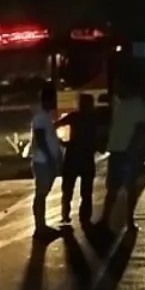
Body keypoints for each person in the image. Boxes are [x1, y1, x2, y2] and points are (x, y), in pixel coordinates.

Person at [97, 70, 145, 232]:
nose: (117, 88)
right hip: (116, 151)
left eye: (120, 85)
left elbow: (141, 130)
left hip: (129, 153)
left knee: (129, 188)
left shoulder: (140, 105)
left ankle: (129, 221)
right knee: (112, 188)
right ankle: (105, 220)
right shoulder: (118, 103)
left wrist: (134, 149)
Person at [55, 92, 98, 225]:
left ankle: (65, 215)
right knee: (86, 192)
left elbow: (55, 125)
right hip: (86, 157)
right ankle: (85, 217)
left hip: (72, 156)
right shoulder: (94, 118)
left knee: (67, 190)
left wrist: (62, 142)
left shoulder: (74, 117)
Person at [30, 82, 63, 240]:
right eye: (53, 100)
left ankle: (42, 226)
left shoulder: (46, 117)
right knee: (41, 194)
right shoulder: (40, 118)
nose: (55, 103)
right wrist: (51, 158)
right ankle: (40, 228)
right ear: (47, 100)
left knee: (43, 193)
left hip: (46, 160)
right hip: (43, 161)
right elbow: (41, 139)